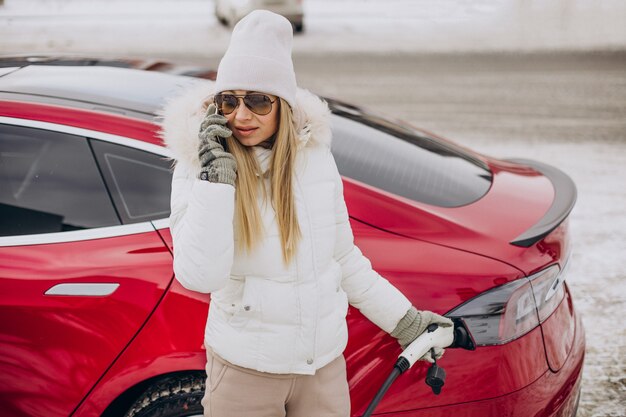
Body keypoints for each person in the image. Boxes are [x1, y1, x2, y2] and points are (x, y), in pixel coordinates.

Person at [160, 10, 452, 417]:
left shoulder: (314, 160)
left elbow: (343, 259)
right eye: (229, 100)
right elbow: (199, 276)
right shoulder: (200, 167)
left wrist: (406, 322)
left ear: (282, 103)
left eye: (258, 101)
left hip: (323, 369)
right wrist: (215, 180)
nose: (241, 116)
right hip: (246, 373)